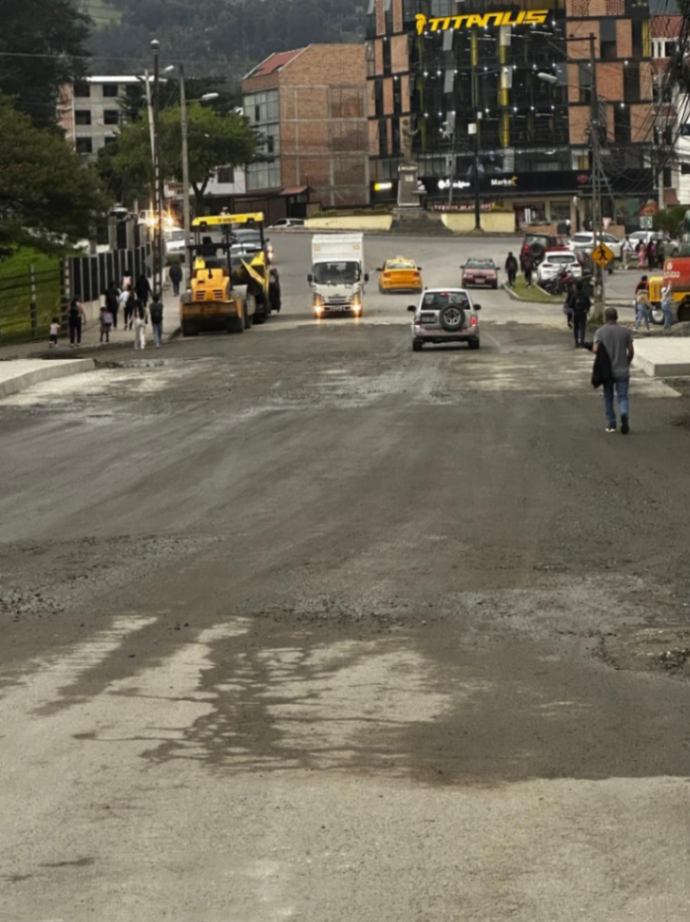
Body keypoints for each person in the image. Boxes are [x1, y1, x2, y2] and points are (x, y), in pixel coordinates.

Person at [593, 307, 634, 433]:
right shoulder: (625, 332)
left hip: (607, 371)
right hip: (622, 370)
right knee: (623, 396)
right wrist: (627, 361)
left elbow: (595, 349)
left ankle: (611, 423)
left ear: (605, 318)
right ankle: (624, 413)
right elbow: (631, 351)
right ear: (617, 317)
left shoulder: (600, 332)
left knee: (608, 396)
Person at [571, 281, 591, 348]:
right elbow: (589, 303)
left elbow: (571, 304)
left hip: (576, 313)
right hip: (583, 313)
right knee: (582, 328)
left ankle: (576, 342)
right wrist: (587, 310)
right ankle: (582, 342)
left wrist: (573, 309)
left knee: (576, 328)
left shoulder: (575, 295)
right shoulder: (585, 294)